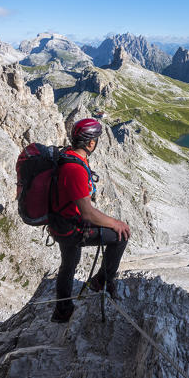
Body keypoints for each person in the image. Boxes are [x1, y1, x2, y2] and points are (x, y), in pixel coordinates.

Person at [49, 118, 131, 323]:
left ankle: (62, 310)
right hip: (71, 229)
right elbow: (88, 213)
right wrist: (115, 223)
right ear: (90, 143)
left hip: (60, 224)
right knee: (120, 236)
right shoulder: (75, 169)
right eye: (95, 139)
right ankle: (101, 281)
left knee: (68, 265)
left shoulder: (68, 155)